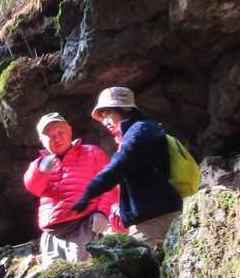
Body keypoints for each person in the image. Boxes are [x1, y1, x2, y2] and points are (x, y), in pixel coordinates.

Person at [70, 86, 184, 247]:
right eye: (102, 116)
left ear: (124, 109)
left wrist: (89, 193)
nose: (105, 121)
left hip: (154, 219)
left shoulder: (138, 131)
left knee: (146, 262)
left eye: (108, 114)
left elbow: (119, 166)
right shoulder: (143, 129)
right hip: (160, 212)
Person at [22, 112, 123, 262]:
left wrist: (102, 212)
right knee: (56, 275)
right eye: (50, 136)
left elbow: (109, 185)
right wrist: (41, 171)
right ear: (41, 140)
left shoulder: (92, 152)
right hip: (51, 232)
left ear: (69, 131)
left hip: (83, 226)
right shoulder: (39, 164)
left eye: (60, 132)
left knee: (84, 270)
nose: (56, 138)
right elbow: (33, 188)